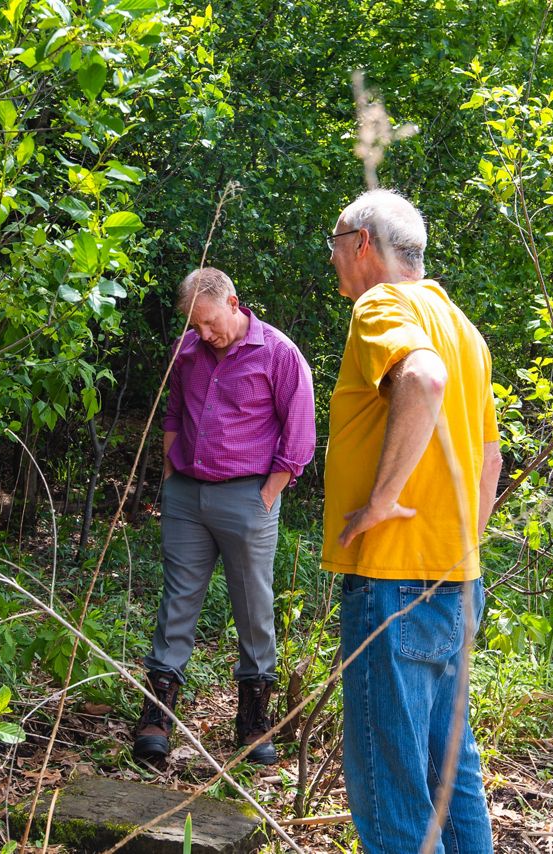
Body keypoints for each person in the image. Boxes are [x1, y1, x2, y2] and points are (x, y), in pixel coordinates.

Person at [322, 189, 501, 853]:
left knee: (392, 790)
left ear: (361, 244)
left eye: (335, 244)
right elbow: (490, 460)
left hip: (392, 582)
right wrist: (461, 551)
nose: (333, 260)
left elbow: (421, 381)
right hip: (455, 581)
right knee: (450, 780)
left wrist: (381, 500)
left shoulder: (383, 304)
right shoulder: (461, 327)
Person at [133, 267, 316, 766]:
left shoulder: (279, 353)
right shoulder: (187, 350)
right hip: (186, 497)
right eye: (195, 326)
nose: (204, 334)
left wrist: (266, 496)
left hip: (248, 497)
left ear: (234, 303)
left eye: (210, 323)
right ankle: (156, 719)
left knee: (254, 610)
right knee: (177, 602)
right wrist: (171, 479)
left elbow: (299, 438)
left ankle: (254, 724)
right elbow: (173, 414)